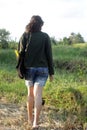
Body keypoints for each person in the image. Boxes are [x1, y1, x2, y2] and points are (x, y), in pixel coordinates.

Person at [18, 15, 54, 129]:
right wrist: (51, 73)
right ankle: (35, 123)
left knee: (30, 94)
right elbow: (49, 55)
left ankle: (29, 119)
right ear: (41, 25)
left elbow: (20, 52)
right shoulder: (45, 36)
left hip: (29, 68)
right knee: (38, 95)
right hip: (43, 69)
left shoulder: (25, 35)